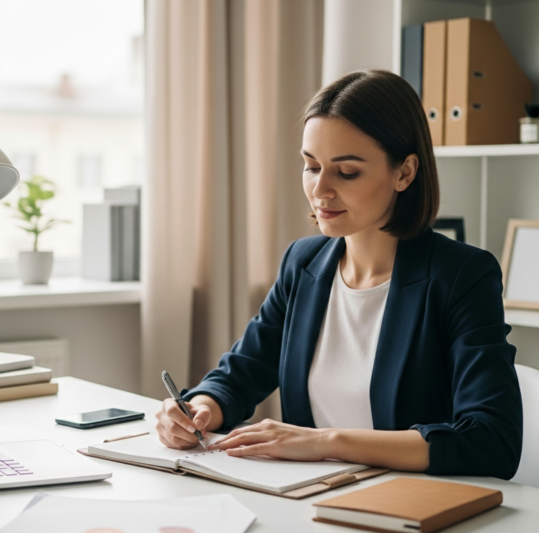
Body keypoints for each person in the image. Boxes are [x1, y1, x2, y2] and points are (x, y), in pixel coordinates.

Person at [155, 70, 522, 479]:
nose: (321, 190)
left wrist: (326, 441)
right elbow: (241, 372)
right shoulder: (304, 262)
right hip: (311, 502)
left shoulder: (462, 276)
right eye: (311, 167)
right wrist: (201, 408)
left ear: (405, 172)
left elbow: (492, 440)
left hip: (408, 508)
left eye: (346, 172)